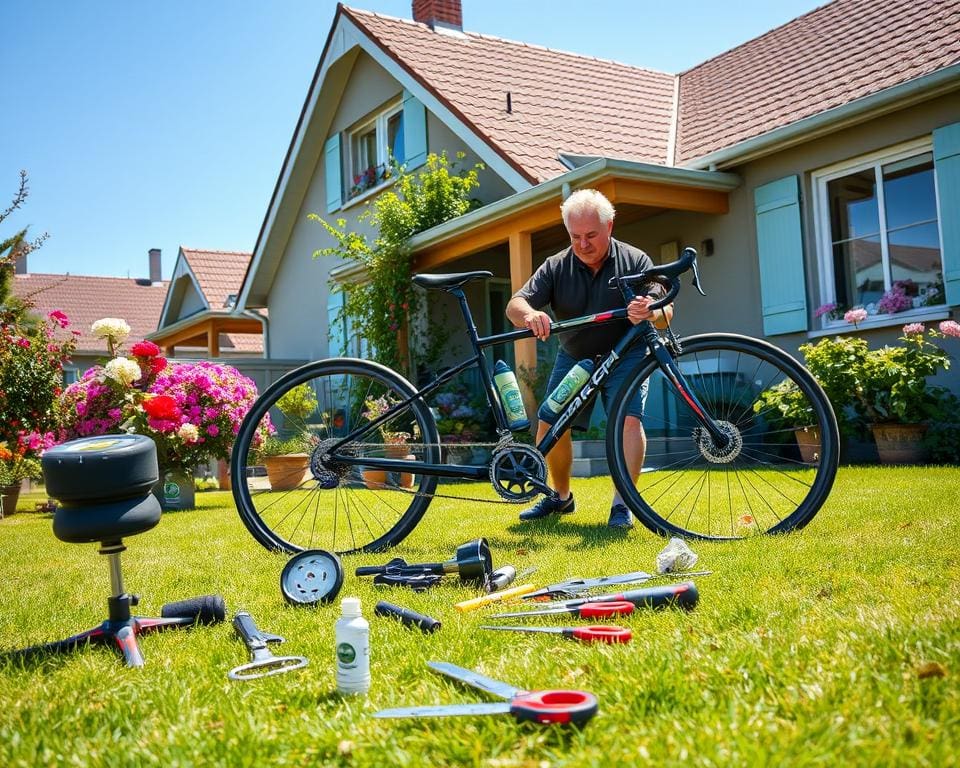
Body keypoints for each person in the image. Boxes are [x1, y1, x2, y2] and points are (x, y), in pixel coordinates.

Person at [505, 189, 673, 528]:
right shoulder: (556, 265)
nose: (583, 244)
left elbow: (666, 307)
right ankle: (560, 497)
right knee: (550, 425)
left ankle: (623, 504)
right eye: (575, 236)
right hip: (576, 354)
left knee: (628, 422)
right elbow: (515, 304)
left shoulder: (635, 261)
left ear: (609, 226)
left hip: (627, 353)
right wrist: (530, 315)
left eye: (591, 235)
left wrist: (650, 313)